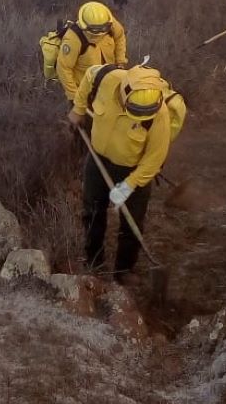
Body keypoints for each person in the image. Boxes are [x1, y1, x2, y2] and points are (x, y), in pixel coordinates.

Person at [68, 62, 170, 279]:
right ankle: (93, 262)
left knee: (132, 225)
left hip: (133, 171)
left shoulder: (159, 114)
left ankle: (123, 274)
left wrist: (129, 185)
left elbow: (154, 159)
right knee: (92, 212)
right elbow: (88, 76)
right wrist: (78, 109)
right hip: (98, 160)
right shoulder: (106, 78)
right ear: (125, 94)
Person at [56, 1, 127, 102]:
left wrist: (120, 62)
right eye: (95, 30)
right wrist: (75, 97)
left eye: (103, 29)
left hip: (110, 82)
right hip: (86, 91)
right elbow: (63, 68)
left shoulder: (108, 22)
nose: (100, 33)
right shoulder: (72, 39)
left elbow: (120, 36)